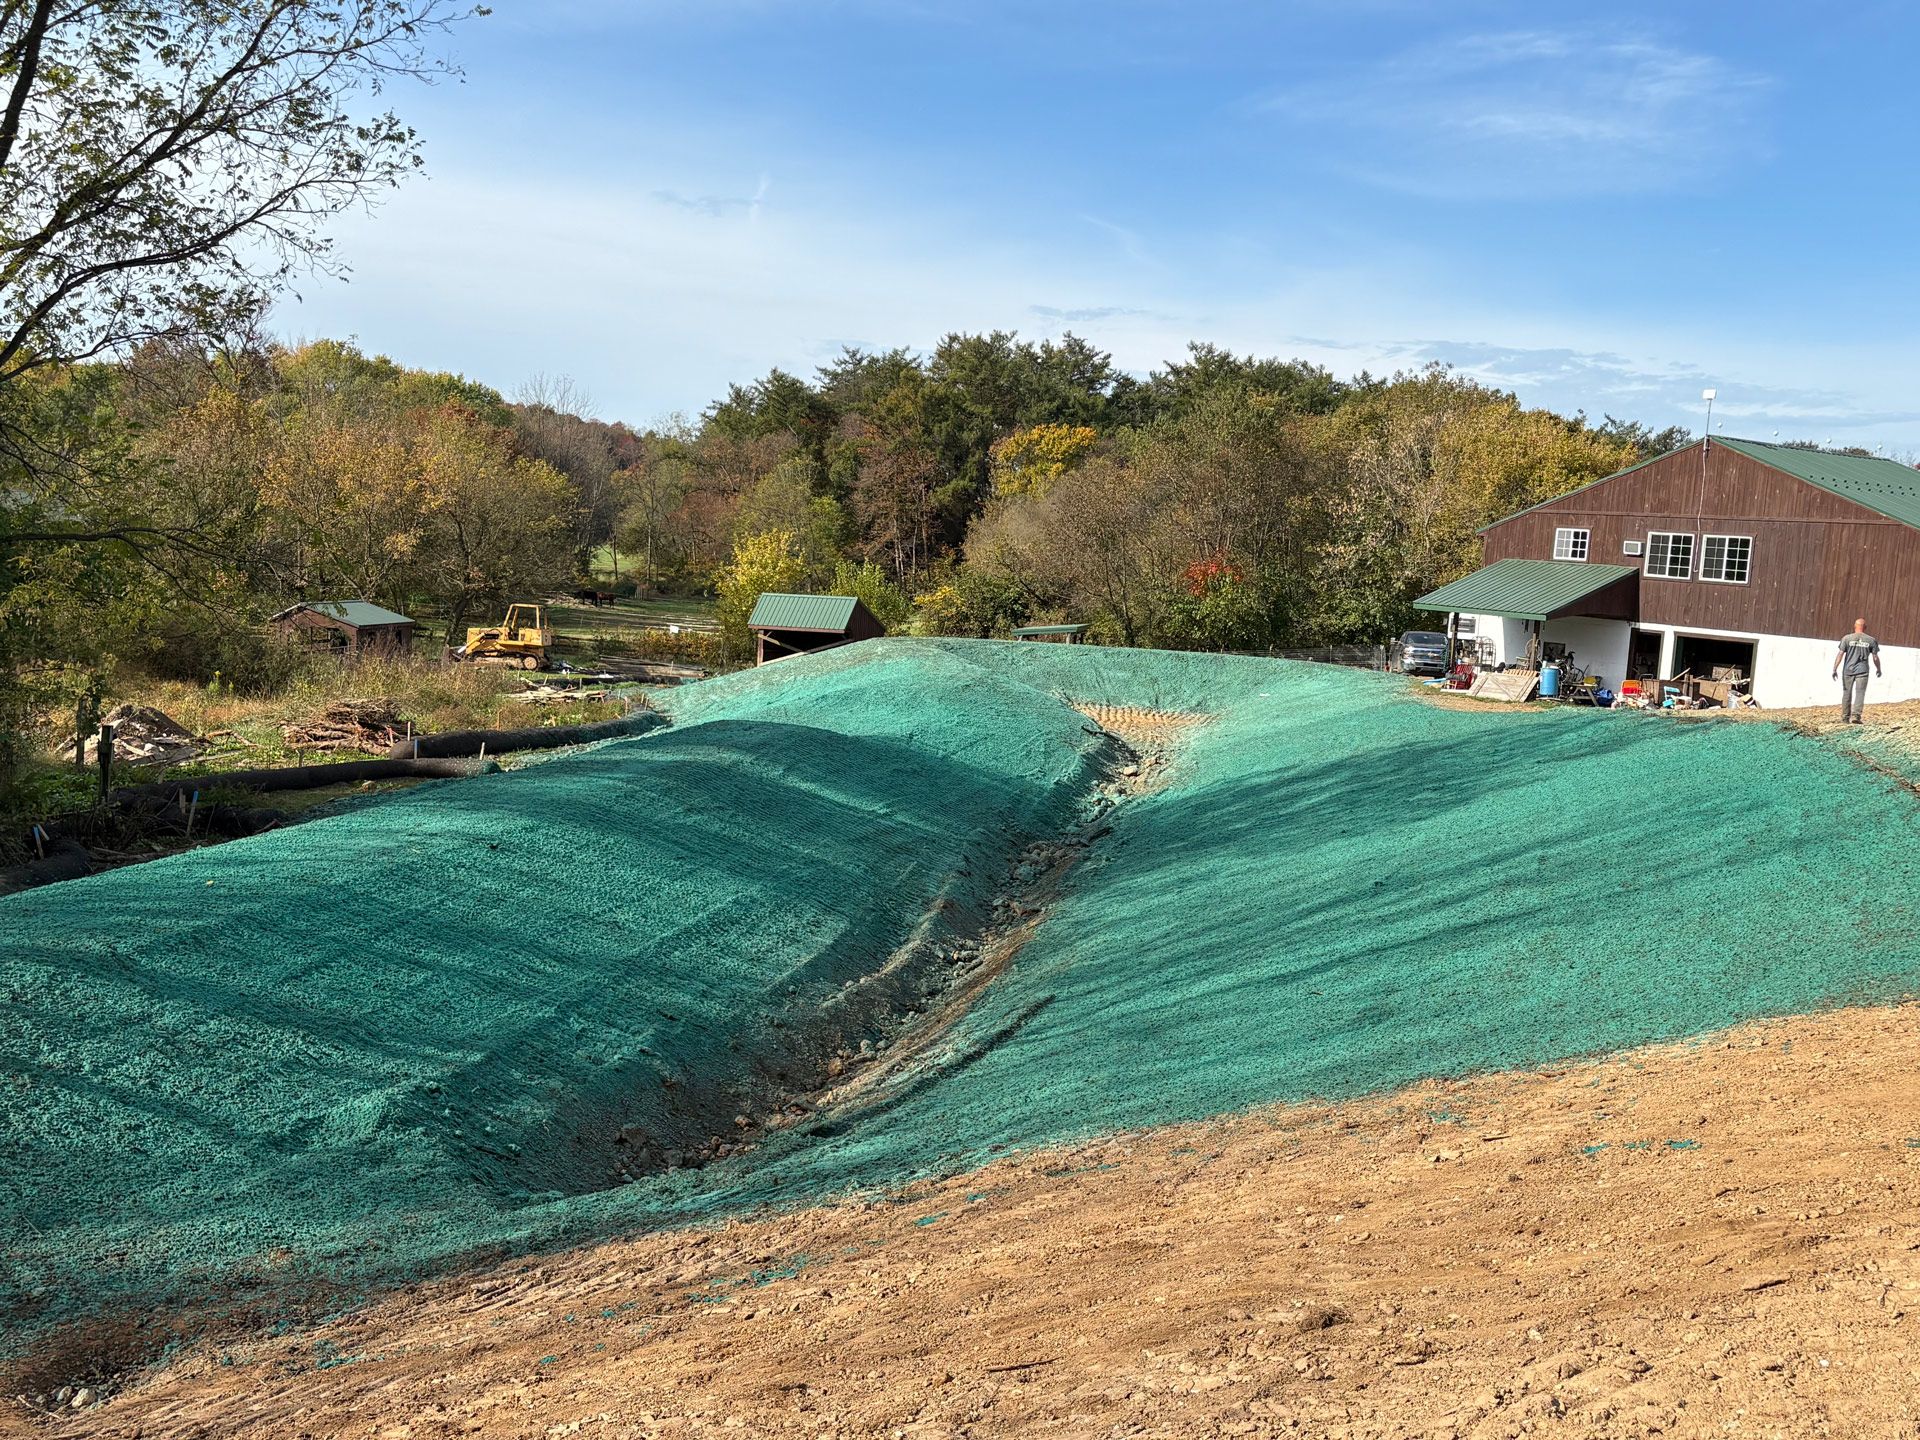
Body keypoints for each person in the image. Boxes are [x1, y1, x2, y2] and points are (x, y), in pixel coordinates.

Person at [1832, 618, 1882, 724]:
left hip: (1848, 670)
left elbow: (1840, 654)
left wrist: (1834, 668)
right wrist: (1878, 669)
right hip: (1863, 671)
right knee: (1860, 693)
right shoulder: (1871, 640)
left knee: (1847, 693)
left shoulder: (1846, 638)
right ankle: (1856, 716)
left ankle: (1845, 718)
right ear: (1865, 627)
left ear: (1854, 626)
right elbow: (1875, 657)